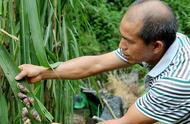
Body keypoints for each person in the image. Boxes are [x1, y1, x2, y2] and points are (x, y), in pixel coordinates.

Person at [15, 0, 190, 123]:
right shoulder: (173, 41)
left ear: (156, 46)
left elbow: (125, 123)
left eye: (128, 41)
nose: (121, 46)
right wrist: (43, 72)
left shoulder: (175, 83)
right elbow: (95, 64)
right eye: (122, 37)